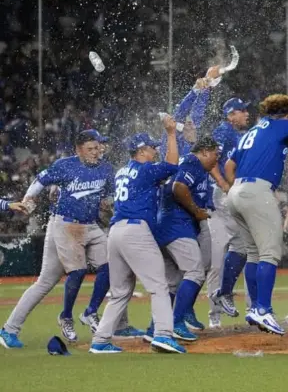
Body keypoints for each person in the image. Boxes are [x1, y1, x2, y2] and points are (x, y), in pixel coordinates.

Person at [0, 130, 114, 348]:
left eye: (97, 147)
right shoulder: (65, 165)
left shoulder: (106, 168)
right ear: (78, 149)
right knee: (71, 273)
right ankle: (60, 318)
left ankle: (90, 312)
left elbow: (107, 197)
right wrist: (28, 198)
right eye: (90, 148)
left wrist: (107, 204)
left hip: (90, 225)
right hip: (65, 224)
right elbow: (41, 180)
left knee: (112, 264)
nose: (95, 152)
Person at [222, 94, 288, 336]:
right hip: (257, 191)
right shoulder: (281, 124)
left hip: (236, 191)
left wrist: (236, 190)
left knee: (253, 253)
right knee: (269, 252)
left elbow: (228, 167)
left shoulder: (252, 131)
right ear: (287, 113)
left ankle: (255, 307)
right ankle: (263, 309)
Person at [89, 116, 185, 354]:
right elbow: (173, 164)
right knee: (159, 285)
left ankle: (100, 339)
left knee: (120, 292)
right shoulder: (144, 171)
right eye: (152, 147)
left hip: (116, 231)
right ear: (141, 151)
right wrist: (171, 134)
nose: (155, 150)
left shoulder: (123, 170)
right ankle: (163, 334)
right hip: (135, 230)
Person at [153, 137, 219, 342]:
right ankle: (178, 321)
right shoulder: (193, 162)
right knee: (196, 271)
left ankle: (154, 328)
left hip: (165, 226)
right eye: (216, 154)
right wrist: (196, 211)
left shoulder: (194, 165)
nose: (217, 159)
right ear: (205, 152)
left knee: (172, 282)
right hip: (177, 225)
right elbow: (179, 187)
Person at [207, 98, 250, 327]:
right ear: (231, 114)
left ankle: (224, 303)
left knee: (234, 251)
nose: (247, 114)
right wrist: (224, 184)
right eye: (242, 111)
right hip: (220, 196)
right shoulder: (223, 131)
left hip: (229, 195)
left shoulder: (240, 134)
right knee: (233, 251)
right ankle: (217, 310)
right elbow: (211, 160)